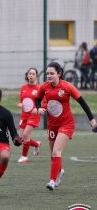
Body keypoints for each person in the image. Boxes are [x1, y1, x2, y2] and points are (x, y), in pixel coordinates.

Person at [33, 62, 97, 190]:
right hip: (52, 125)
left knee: (57, 151)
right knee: (53, 154)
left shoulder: (68, 87)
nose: (49, 76)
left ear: (59, 74)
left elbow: (82, 103)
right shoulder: (44, 87)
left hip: (66, 124)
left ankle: (52, 180)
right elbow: (37, 99)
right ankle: (59, 171)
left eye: (51, 73)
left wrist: (92, 119)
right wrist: (39, 108)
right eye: (47, 74)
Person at [16, 68, 42, 163]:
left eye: (33, 74)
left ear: (36, 76)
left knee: (26, 135)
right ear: (27, 75)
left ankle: (24, 157)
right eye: (29, 74)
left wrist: (38, 108)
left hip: (34, 116)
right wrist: (20, 104)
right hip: (24, 116)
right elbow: (21, 101)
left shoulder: (39, 89)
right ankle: (36, 144)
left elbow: (44, 102)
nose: (31, 75)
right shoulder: (23, 87)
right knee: (21, 138)